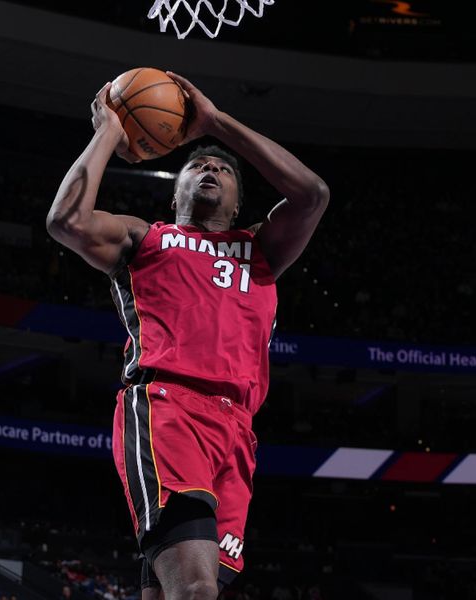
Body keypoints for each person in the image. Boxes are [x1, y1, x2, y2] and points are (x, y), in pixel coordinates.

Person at [46, 71, 328, 599]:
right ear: (175, 187)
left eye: (221, 166)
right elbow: (66, 221)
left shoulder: (262, 249)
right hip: (167, 407)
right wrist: (109, 130)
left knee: (173, 591)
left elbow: (312, 194)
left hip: (238, 432)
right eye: (198, 162)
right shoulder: (145, 236)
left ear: (239, 202)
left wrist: (215, 124)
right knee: (196, 590)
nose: (210, 167)